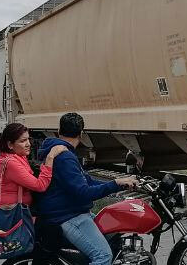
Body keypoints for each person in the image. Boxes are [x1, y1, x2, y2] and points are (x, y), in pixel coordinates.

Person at [34, 113, 138, 265]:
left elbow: (86, 181)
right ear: (81, 134)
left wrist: (119, 183)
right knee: (103, 256)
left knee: (112, 238)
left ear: (58, 131)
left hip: (69, 211)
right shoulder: (65, 157)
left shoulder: (63, 152)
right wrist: (114, 183)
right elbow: (83, 193)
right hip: (68, 216)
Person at [0, 123, 65, 208]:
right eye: (23, 141)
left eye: (28, 139)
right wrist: (50, 158)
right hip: (13, 214)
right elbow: (40, 186)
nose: (28, 144)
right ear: (10, 145)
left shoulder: (15, 157)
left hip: (17, 209)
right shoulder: (11, 163)